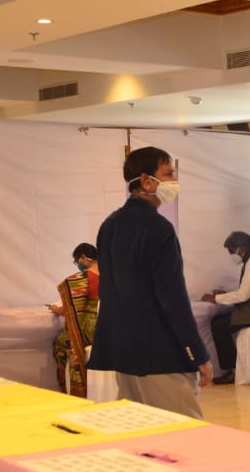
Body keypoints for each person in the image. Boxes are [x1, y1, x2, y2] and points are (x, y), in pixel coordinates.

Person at [89, 146, 213, 417]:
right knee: (183, 433)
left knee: (140, 433)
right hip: (161, 353)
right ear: (146, 181)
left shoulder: (109, 226)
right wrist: (197, 353)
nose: (174, 180)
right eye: (167, 174)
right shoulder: (159, 228)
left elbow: (110, 290)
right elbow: (172, 298)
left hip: (125, 352)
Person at [202, 231, 250, 384]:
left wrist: (215, 299)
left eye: (231, 251)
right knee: (220, 322)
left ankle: (232, 371)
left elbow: (243, 295)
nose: (231, 255)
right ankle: (233, 369)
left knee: (218, 325)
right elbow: (249, 290)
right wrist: (225, 295)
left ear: (241, 248)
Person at [49, 242, 100, 391]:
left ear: (83, 257)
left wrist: (56, 309)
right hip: (109, 327)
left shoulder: (83, 279)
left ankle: (69, 386)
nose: (78, 265)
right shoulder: (111, 273)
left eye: (77, 261)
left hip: (90, 331)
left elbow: (71, 309)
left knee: (59, 343)